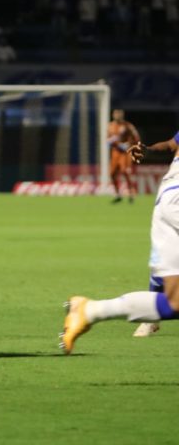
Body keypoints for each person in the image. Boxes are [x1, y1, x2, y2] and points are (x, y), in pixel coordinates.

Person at [60, 135, 179, 355]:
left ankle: (90, 310)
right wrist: (150, 149)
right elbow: (173, 144)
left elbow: (173, 144)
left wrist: (147, 149)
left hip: (166, 201)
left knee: (175, 302)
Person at [107, 108, 140, 203]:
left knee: (125, 172)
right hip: (115, 153)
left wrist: (128, 145)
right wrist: (110, 141)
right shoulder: (110, 126)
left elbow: (136, 138)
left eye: (119, 113)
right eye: (115, 113)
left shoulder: (128, 126)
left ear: (122, 115)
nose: (117, 115)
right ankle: (118, 195)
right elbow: (107, 139)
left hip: (125, 153)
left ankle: (131, 194)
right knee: (112, 174)